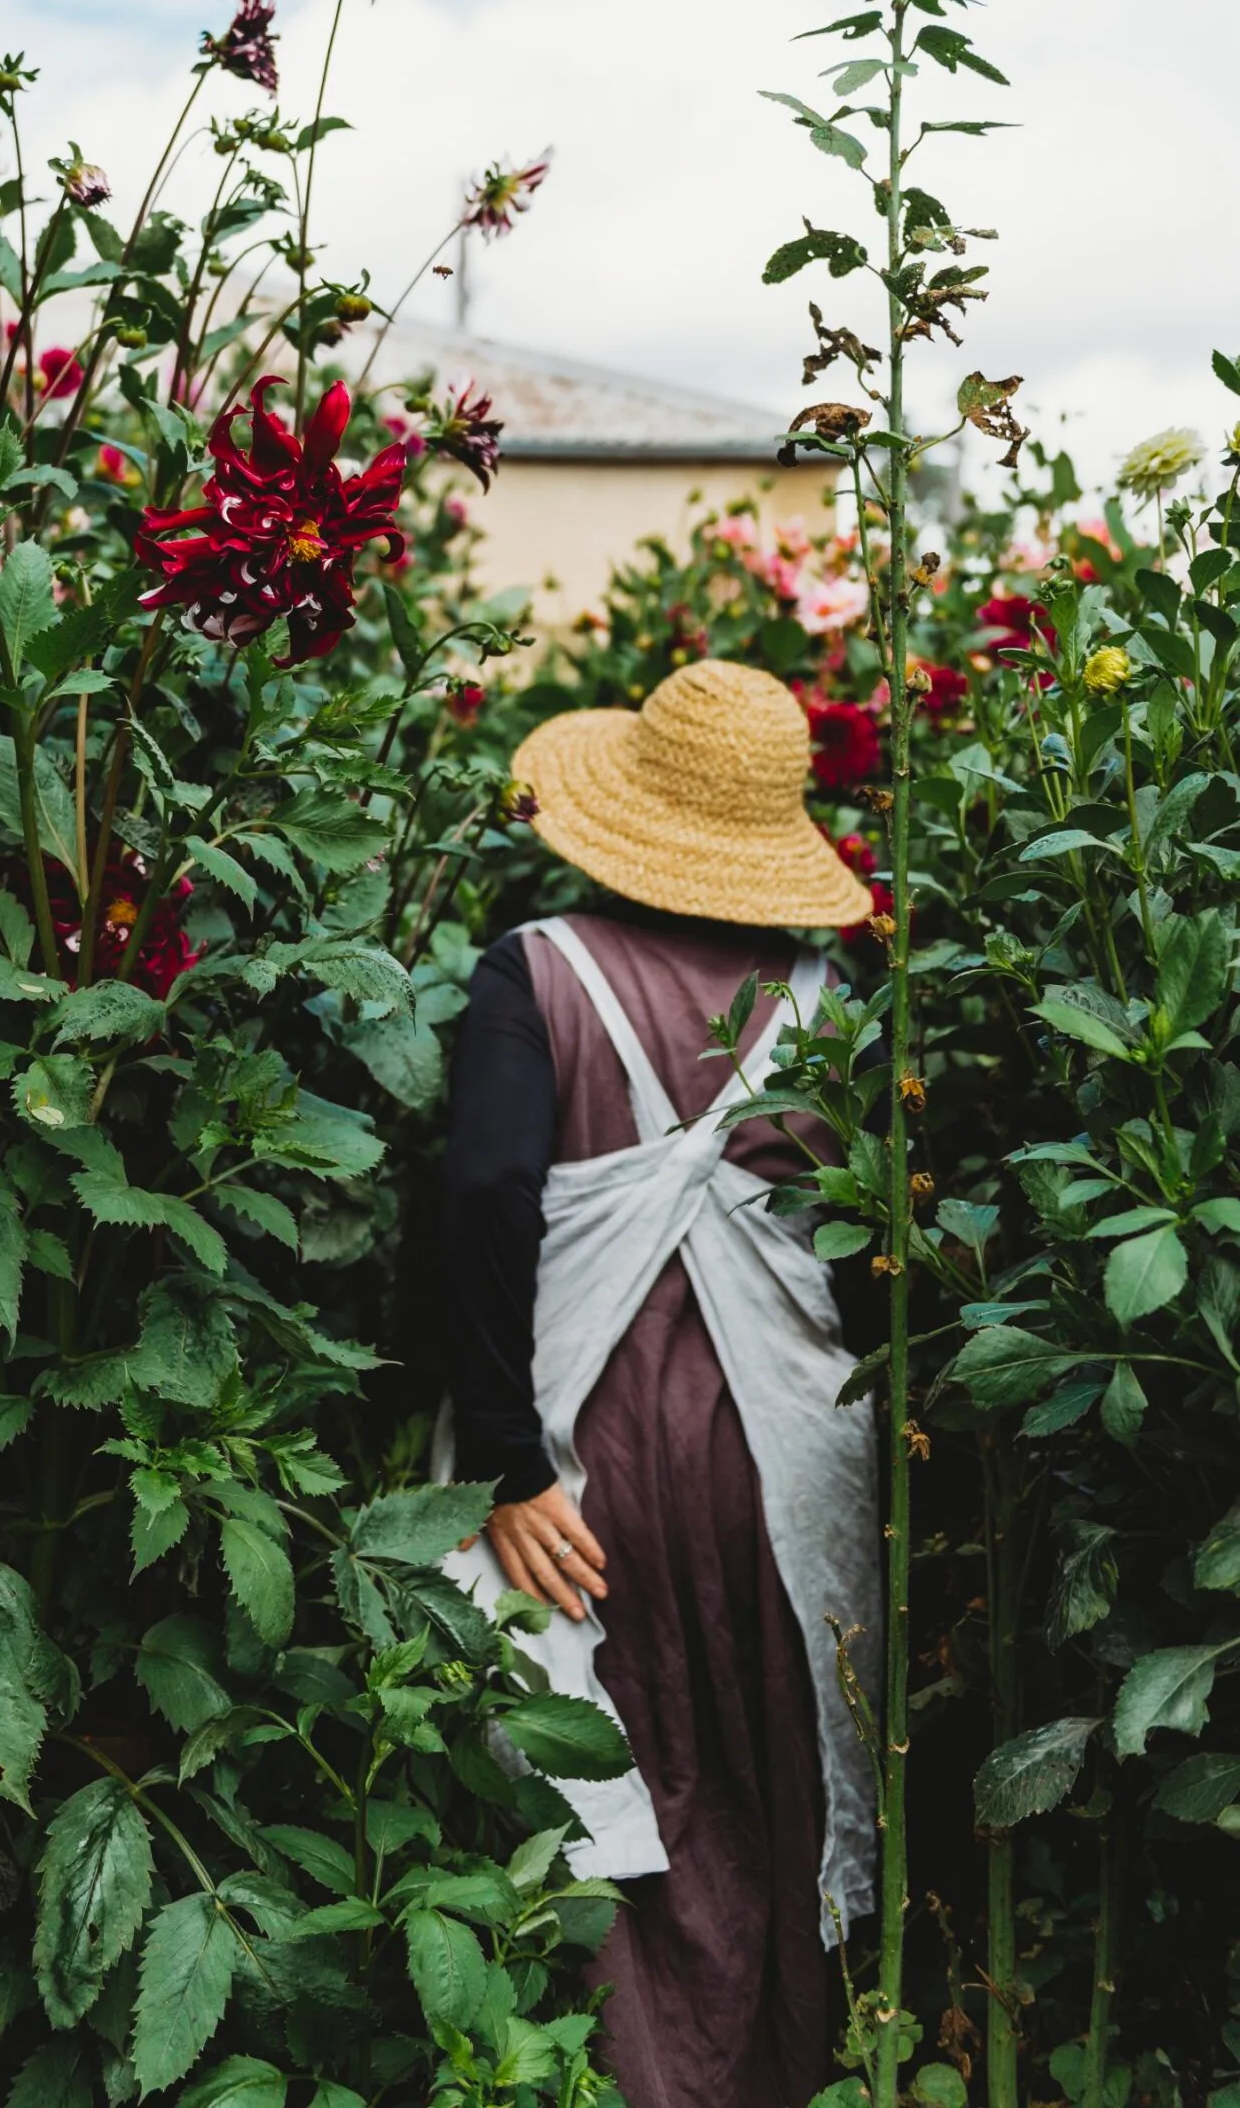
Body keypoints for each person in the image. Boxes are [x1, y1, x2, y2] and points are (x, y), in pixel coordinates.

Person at [437, 658, 882, 2108]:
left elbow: (493, 1192)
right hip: (781, 1471)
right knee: (769, 1774)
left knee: (606, 1794)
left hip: (587, 1468)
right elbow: (866, 1255)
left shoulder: (538, 973)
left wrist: (508, 1463)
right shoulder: (828, 995)